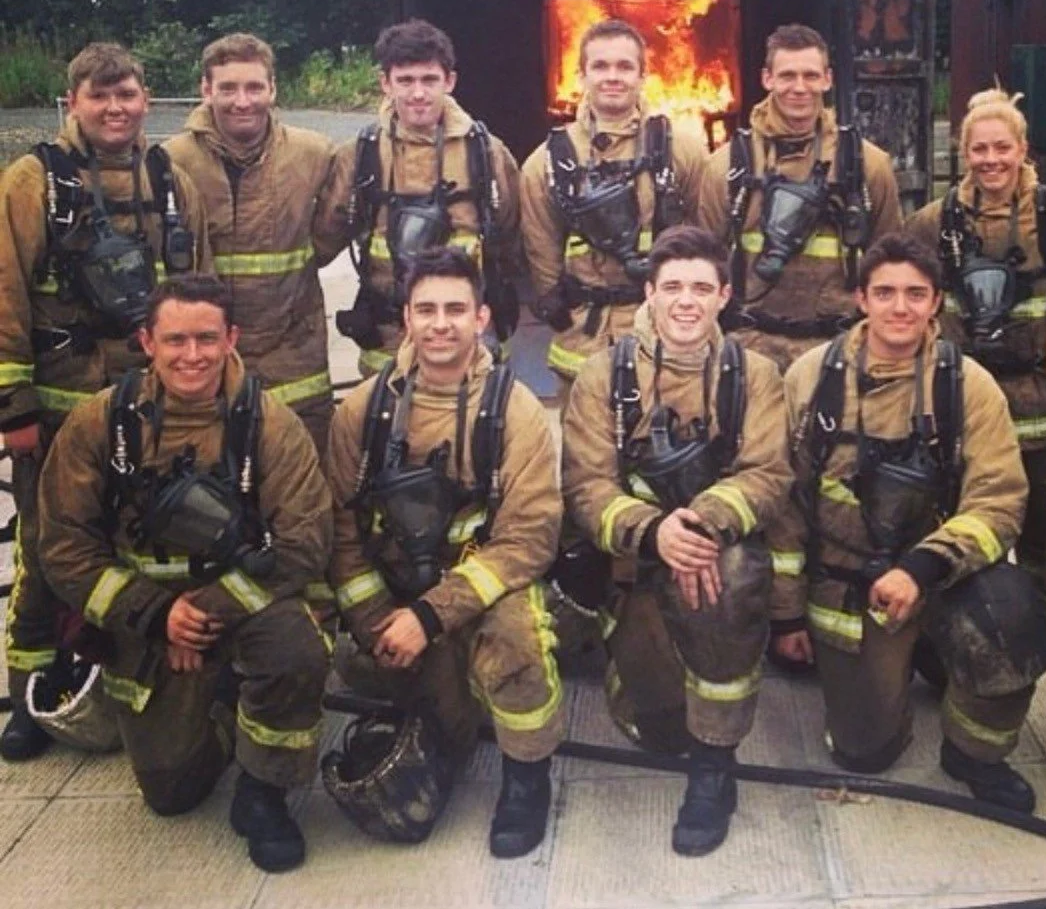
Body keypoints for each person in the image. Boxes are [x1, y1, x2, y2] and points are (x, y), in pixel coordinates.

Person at [36, 276, 332, 872]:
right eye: (175, 340)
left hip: (241, 604)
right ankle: (220, 706)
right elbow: (64, 547)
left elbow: (305, 543)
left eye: (206, 338)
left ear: (232, 339)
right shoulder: (101, 425)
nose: (191, 355)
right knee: (172, 793)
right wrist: (155, 616)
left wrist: (202, 615)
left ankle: (263, 789)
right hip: (143, 618)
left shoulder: (270, 425)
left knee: (296, 650)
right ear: (147, 342)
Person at [769, 233, 1046, 812]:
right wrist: (786, 614)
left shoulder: (969, 385)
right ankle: (907, 663)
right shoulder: (808, 379)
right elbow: (786, 504)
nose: (901, 307)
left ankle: (972, 752)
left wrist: (923, 570)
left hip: (941, 575)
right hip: (848, 588)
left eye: (916, 294)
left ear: (936, 302)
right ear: (860, 299)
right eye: (886, 292)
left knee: (1015, 616)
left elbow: (999, 502)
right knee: (863, 751)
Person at [0, 43, 211, 760]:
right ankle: (28, 689)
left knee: (141, 538)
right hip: (63, 405)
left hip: (152, 405)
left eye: (126, 94)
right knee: (44, 543)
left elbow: (199, 285)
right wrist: (15, 405)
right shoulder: (34, 182)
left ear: (147, 98)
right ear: (74, 103)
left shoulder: (171, 178)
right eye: (100, 97)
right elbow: (5, 295)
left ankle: (118, 666)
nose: (115, 109)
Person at [326, 247, 564, 858]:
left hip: (480, 587)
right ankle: (445, 712)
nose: (440, 323)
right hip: (395, 593)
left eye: (455, 309)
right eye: (426, 309)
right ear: (405, 318)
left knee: (517, 643)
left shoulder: (515, 410)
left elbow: (530, 536)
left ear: (482, 317)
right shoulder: (363, 411)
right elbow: (342, 530)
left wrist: (432, 616)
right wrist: (375, 617)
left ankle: (527, 778)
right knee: (430, 709)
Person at [561, 225, 791, 854]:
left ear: (723, 295)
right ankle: (637, 670)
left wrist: (704, 523)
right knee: (658, 729)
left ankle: (716, 764)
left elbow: (768, 473)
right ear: (649, 294)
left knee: (734, 574)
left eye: (699, 288)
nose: (685, 301)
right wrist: (654, 530)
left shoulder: (757, 375)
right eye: (672, 288)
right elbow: (586, 487)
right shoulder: (603, 375)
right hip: (636, 565)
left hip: (715, 560)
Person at [906, 87, 1046, 575]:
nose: (991, 160)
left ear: (1022, 150)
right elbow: (908, 288)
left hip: (1042, 404)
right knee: (963, 527)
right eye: (979, 149)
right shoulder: (932, 223)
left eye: (1002, 148)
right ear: (964, 155)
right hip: (961, 401)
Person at [165, 33, 345, 453]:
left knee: (305, 487)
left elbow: (336, 227)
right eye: (227, 88)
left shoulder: (313, 154)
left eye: (254, 87)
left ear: (273, 89)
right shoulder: (172, 162)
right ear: (206, 90)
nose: (242, 101)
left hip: (296, 356)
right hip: (206, 357)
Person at [696, 24, 901, 373]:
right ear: (767, 78)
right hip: (751, 351)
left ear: (827, 79)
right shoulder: (726, 167)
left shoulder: (867, 165)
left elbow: (892, 263)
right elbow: (704, 266)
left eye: (810, 75)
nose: (799, 87)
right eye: (787, 75)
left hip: (840, 353)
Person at [328, 19, 523, 376]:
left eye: (430, 80)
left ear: (449, 81)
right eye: (405, 80)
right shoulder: (359, 155)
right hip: (387, 339)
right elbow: (326, 237)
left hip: (470, 337)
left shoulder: (485, 152)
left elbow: (510, 236)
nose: (418, 94)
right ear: (385, 83)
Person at [521, 18, 704, 392]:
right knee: (587, 448)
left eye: (624, 66)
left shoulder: (683, 151)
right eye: (600, 66)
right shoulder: (546, 163)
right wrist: (560, 308)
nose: (612, 76)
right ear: (581, 75)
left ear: (643, 75)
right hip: (583, 337)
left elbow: (706, 236)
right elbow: (541, 251)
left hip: (666, 331)